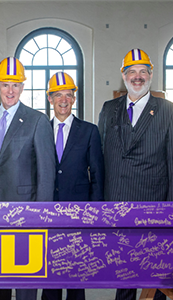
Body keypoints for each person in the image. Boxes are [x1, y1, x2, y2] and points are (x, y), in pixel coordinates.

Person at [98, 49, 173, 300]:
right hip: (117, 206)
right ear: (123, 76)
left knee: (154, 278)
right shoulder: (109, 108)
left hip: (153, 209)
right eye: (131, 72)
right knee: (124, 276)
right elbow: (102, 158)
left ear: (151, 75)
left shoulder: (168, 110)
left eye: (143, 72)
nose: (137, 77)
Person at [0, 57, 55, 300]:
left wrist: (41, 215)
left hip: (25, 213)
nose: (10, 91)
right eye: (5, 84)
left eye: (16, 85)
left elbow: (46, 173)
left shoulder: (37, 120)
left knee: (24, 279)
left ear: (23, 87)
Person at [42, 72, 104, 300]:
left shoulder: (89, 131)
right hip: (48, 212)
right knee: (50, 271)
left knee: (76, 273)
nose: (64, 100)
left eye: (68, 95)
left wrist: (95, 213)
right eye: (58, 95)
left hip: (79, 213)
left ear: (74, 99)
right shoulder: (40, 130)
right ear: (50, 99)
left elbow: (97, 174)